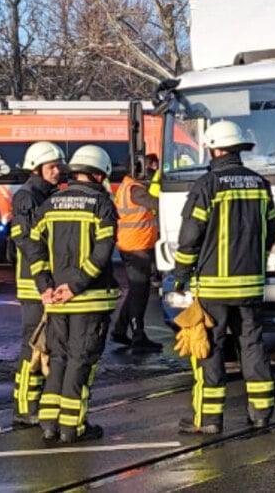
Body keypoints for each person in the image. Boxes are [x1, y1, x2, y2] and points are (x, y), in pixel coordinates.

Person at [172, 120, 275, 435]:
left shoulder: (207, 185)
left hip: (213, 287)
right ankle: (260, 413)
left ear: (214, 149)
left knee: (211, 348)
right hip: (251, 285)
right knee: (253, 345)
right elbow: (270, 233)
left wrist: (179, 275)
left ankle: (209, 419)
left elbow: (190, 237)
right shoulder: (259, 184)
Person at [28, 144, 120, 443]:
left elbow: (34, 247)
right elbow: (103, 252)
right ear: (98, 174)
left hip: (54, 300)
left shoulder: (50, 203)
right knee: (81, 360)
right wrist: (77, 285)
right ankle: (72, 427)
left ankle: (49, 424)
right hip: (89, 298)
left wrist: (45, 286)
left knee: (58, 359)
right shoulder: (102, 205)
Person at [10, 141, 65, 427]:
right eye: (51, 167)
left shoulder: (48, 195)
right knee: (32, 344)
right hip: (32, 283)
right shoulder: (26, 198)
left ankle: (38, 400)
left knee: (48, 344)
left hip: (46, 281)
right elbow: (28, 242)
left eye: (58, 166)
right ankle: (24, 406)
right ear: (36, 168)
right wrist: (43, 280)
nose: (57, 171)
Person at [110, 164, 162, 352]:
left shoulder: (126, 187)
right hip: (136, 246)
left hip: (133, 244)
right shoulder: (135, 190)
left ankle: (120, 329)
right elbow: (157, 203)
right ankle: (138, 335)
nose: (148, 173)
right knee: (140, 292)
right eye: (146, 169)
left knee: (136, 290)